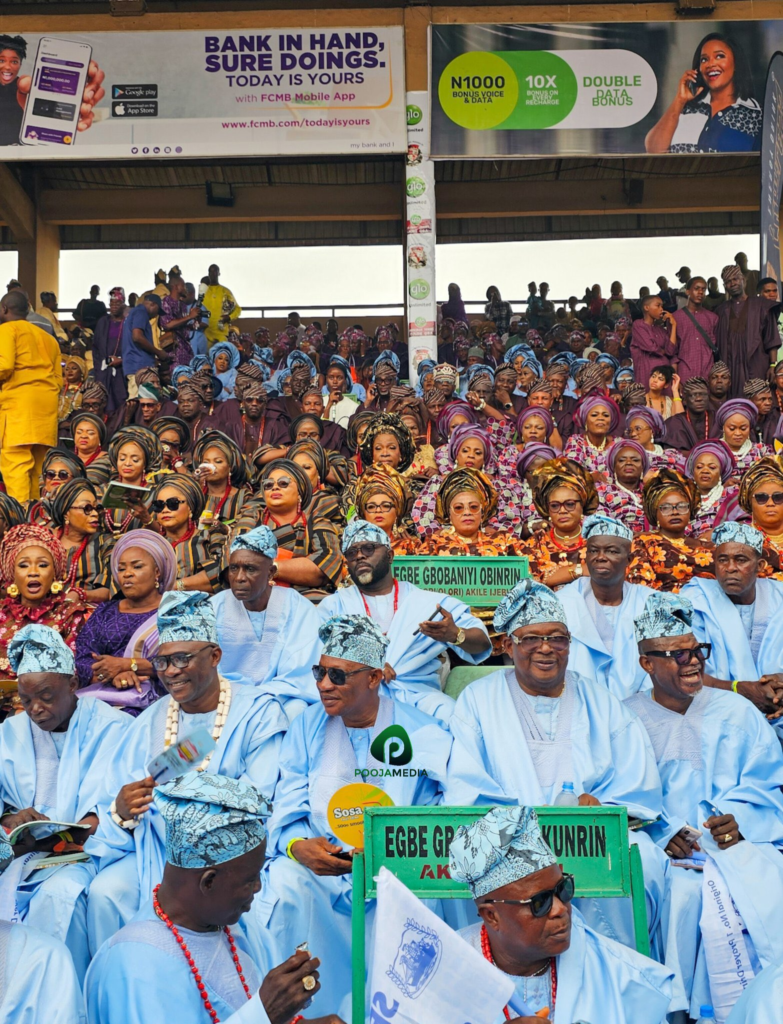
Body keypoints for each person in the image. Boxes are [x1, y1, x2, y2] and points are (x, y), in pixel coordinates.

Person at [445, 578, 668, 953]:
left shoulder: (601, 700)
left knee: (642, 858)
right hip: (506, 844)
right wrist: (519, 830)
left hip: (587, 838)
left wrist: (604, 809)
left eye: (558, 638)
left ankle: (614, 978)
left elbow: (635, 782)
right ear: (508, 646)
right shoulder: (478, 700)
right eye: (531, 639)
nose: (546, 648)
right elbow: (467, 787)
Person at [260, 613, 451, 1016]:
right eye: (320, 672)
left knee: (423, 903)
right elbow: (287, 802)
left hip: (397, 876)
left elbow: (443, 814)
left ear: (374, 678)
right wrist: (297, 847)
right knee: (282, 881)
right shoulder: (307, 727)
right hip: (324, 874)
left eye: (339, 676)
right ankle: (302, 1014)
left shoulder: (421, 733)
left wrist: (395, 861)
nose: (324, 685)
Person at [85, 590, 287, 955]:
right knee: (105, 893)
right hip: (155, 852)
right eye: (162, 662)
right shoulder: (151, 720)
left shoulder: (258, 713)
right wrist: (123, 809)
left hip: (226, 859)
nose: (171, 671)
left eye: (182, 658)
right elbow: (118, 798)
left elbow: (260, 799)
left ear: (214, 656)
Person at [627, 592, 783, 1018]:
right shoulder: (624, 718)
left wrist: (739, 818)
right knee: (681, 897)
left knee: (769, 888)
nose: (693, 661)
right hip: (666, 857)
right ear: (647, 663)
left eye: (697, 650)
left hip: (737, 845)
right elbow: (617, 794)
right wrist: (662, 830)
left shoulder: (737, 711)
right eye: (678, 655)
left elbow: (768, 780)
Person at [85, 771, 339, 1024]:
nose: (259, 888)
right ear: (209, 881)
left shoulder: (238, 928)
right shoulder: (134, 966)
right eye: (250, 880)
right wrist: (265, 1014)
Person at [449, 806, 674, 1024]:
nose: (560, 910)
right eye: (540, 902)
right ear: (492, 916)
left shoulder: (626, 981)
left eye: (563, 890)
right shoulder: (445, 975)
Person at [0, 624, 131, 981]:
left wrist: (61, 837)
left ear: (73, 684)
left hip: (88, 853)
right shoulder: (10, 732)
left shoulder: (113, 728)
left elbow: (114, 812)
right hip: (22, 854)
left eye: (46, 696)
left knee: (58, 898)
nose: (36, 710)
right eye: (25, 701)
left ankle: (62, 1003)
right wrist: (10, 820)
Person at [318, 519, 491, 721]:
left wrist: (455, 635)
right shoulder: (333, 607)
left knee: (454, 717)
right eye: (351, 553)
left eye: (369, 548)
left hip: (419, 695)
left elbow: (481, 643)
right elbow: (316, 661)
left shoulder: (427, 603)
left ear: (390, 556)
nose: (359, 556)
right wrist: (365, 667)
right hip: (356, 696)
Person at [211, 526, 322, 724]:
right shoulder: (215, 607)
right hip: (224, 701)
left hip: (279, 700)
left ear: (270, 572)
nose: (239, 577)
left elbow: (298, 675)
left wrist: (257, 699)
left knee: (297, 712)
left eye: (250, 569)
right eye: (234, 568)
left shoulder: (297, 607)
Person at [680, 522, 783, 726]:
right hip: (715, 712)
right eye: (722, 560)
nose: (730, 568)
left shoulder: (779, 596)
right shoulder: (695, 600)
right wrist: (739, 689)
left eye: (741, 560)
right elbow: (682, 672)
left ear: (760, 566)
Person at [74, 530, 177, 710]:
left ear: (157, 572)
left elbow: (181, 660)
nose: (127, 574)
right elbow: (82, 658)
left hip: (158, 702)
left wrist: (127, 665)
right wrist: (112, 676)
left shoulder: (175, 612)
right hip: (101, 697)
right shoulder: (105, 610)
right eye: (122, 569)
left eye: (137, 567)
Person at [558, 514, 655, 700]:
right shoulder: (563, 602)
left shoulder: (649, 602)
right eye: (594, 551)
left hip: (640, 710)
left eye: (611, 551)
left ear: (629, 558)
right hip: (577, 707)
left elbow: (658, 666)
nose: (600, 557)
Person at [236, 460, 343, 599]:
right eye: (268, 485)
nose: (275, 488)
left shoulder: (317, 522)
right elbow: (235, 560)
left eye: (283, 483)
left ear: (300, 490)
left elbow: (323, 569)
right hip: (255, 596)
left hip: (306, 599)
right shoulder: (251, 518)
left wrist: (267, 568)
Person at [645, 32, 761, 153]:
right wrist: (679, 100)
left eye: (720, 56)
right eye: (704, 59)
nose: (710, 64)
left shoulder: (756, 116)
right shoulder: (686, 110)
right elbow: (653, 149)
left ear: (736, 63)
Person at [0, 524, 89, 680]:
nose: (33, 572)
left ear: (54, 574)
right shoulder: (2, 613)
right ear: (13, 574)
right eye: (23, 565)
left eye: (42, 565)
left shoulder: (69, 615)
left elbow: (75, 672)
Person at [0, 290, 62, 502]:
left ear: (4, 309)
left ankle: (19, 519)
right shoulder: (48, 338)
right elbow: (58, 379)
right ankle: (37, 518)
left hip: (20, 408)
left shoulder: (7, 330)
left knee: (15, 463)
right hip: (46, 410)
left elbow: (4, 366)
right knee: (38, 469)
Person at [628, 469, 714, 591]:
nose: (675, 512)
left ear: (690, 512)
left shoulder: (708, 546)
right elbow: (639, 585)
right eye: (666, 508)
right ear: (655, 513)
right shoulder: (643, 542)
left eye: (682, 506)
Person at [523, 458, 598, 587]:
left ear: (582, 505)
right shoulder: (537, 542)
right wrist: (579, 570)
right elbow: (533, 582)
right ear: (547, 509)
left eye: (570, 504)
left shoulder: (598, 539)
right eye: (555, 505)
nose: (562, 510)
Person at [715, 264, 780, 397]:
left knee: (759, 401)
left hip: (757, 363)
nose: (732, 283)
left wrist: (772, 366)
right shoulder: (721, 310)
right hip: (730, 365)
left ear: (743, 279)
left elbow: (771, 338)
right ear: (725, 286)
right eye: (728, 282)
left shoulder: (761, 305)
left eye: (735, 279)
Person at [48, 477, 110, 603]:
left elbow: (107, 590)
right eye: (87, 508)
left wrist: (80, 594)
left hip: (88, 613)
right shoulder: (45, 541)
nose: (94, 514)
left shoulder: (105, 542)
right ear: (66, 513)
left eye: (96, 508)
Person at [121, 293, 172, 412]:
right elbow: (137, 337)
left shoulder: (134, 313)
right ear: (152, 304)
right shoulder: (141, 312)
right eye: (157, 311)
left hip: (137, 364)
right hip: (137, 367)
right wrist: (158, 352)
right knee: (137, 405)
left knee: (144, 404)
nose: (156, 316)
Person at [686, 439, 741, 535]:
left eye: (712, 467)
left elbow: (745, 525)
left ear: (721, 472)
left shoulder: (732, 495)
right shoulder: (683, 498)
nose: (705, 471)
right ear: (693, 472)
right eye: (699, 467)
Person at [738, 455, 783, 574]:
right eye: (761, 498)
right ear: (749, 502)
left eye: (778, 497)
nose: (770, 503)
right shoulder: (738, 539)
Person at [672, 276, 718, 383]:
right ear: (687, 292)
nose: (700, 292)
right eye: (696, 288)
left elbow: (716, 346)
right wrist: (675, 379)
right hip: (685, 372)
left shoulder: (713, 318)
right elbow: (672, 350)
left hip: (708, 371)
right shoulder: (675, 318)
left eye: (703, 289)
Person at [630, 295, 677, 399]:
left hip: (664, 377)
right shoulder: (638, 325)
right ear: (647, 308)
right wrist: (662, 351)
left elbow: (670, 351)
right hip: (647, 372)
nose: (661, 309)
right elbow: (651, 347)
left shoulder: (660, 329)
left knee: (666, 407)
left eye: (662, 306)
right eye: (658, 306)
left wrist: (673, 326)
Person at [92, 287, 128, 413]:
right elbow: (96, 348)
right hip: (104, 371)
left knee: (120, 405)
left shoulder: (127, 322)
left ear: (123, 304)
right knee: (103, 402)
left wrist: (122, 360)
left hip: (121, 371)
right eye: (111, 303)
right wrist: (99, 368)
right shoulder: (103, 322)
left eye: (117, 303)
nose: (113, 306)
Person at [713, 396, 770, 473]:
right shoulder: (713, 452)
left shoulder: (762, 451)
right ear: (723, 428)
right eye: (732, 428)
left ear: (750, 428)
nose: (738, 433)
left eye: (743, 429)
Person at [664, 376, 716, 451]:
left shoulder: (717, 420)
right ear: (685, 400)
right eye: (693, 395)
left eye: (703, 394)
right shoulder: (673, 423)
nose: (699, 398)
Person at [202, 265, 241, 346]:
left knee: (221, 358)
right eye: (211, 271)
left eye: (215, 271)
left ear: (219, 273)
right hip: (206, 333)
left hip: (221, 334)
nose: (213, 274)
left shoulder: (225, 291)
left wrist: (229, 317)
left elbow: (238, 310)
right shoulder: (203, 292)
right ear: (208, 273)